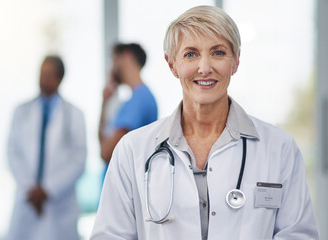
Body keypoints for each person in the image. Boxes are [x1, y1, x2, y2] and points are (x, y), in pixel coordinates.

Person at [91, 5, 319, 240]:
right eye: (191, 54)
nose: (205, 68)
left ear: (236, 61)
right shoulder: (132, 150)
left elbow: (298, 235)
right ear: (172, 65)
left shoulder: (279, 148)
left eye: (218, 52)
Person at [7, 55, 87, 240]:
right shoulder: (21, 112)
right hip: (27, 199)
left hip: (59, 203)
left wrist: (47, 190)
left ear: (60, 78)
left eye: (49, 75)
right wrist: (31, 188)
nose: (43, 80)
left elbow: (78, 161)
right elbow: (12, 153)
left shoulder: (74, 115)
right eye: (41, 74)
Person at [98, 43, 158, 176]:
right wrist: (105, 102)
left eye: (114, 60)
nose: (112, 68)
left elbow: (106, 153)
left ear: (126, 56)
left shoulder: (137, 101)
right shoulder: (142, 97)